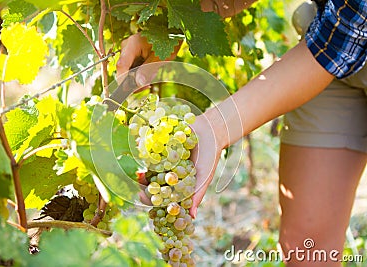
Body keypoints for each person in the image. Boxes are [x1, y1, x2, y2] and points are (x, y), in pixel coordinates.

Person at [116, 0, 367, 265]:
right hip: (328, 39)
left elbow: (342, 38)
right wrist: (171, 28)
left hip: (334, 43)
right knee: (306, 245)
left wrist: (214, 128)